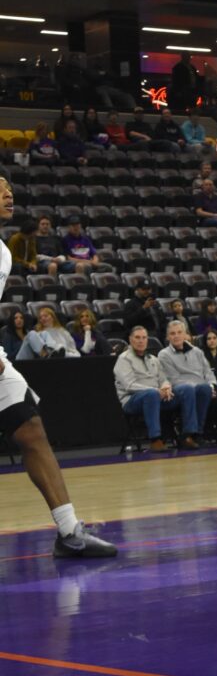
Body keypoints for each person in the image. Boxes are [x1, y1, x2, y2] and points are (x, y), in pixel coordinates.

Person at [0, 177, 116, 557]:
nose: (8, 194)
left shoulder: (3, 253)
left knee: (31, 429)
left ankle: (69, 533)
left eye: (9, 188)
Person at [114, 325, 202, 451]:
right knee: (151, 394)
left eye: (144, 337)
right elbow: (129, 385)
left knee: (187, 389)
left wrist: (166, 387)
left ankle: (188, 435)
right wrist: (156, 390)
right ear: (130, 339)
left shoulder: (153, 359)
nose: (141, 341)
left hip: (157, 397)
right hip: (132, 400)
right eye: (137, 337)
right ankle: (155, 439)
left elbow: (163, 379)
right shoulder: (124, 359)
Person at [157, 320, 214, 441]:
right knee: (190, 389)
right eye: (172, 333)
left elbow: (208, 372)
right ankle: (189, 433)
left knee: (207, 389)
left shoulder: (197, 351)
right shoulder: (164, 355)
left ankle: (198, 433)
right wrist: (197, 386)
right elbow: (173, 379)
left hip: (200, 387)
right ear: (168, 337)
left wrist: (212, 386)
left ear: (185, 334)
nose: (176, 336)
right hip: (179, 390)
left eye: (179, 332)